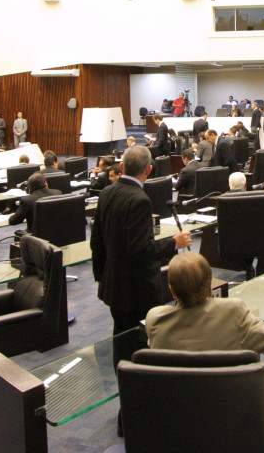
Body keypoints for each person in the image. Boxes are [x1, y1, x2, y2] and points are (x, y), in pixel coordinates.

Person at [145, 252, 264, 409]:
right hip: (230, 416)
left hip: (174, 417)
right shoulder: (233, 312)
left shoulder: (155, 320)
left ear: (172, 291)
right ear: (209, 285)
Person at [90, 145, 191, 378]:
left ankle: (123, 379)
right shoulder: (139, 200)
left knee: (120, 336)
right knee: (139, 340)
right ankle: (138, 385)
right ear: (149, 170)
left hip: (113, 283)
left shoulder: (106, 192)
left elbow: (97, 242)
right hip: (135, 289)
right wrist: (174, 243)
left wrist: (100, 277)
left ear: (122, 167)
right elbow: (141, 249)